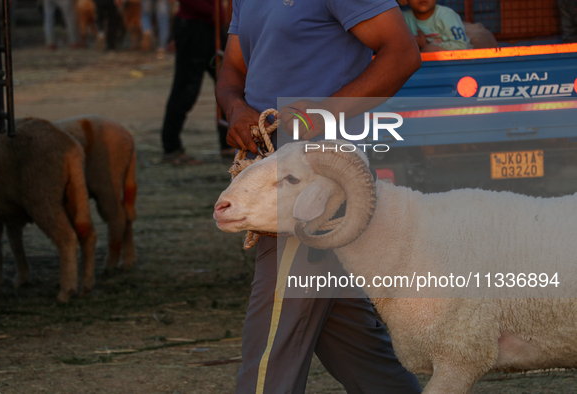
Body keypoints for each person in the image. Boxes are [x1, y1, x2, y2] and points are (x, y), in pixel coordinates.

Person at [216, 0, 422, 392]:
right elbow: (233, 68)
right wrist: (235, 106)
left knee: (271, 347)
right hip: (273, 173)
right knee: (354, 345)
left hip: (315, 185)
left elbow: (402, 53)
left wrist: (321, 115)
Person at [160, 0, 232, 164]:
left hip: (211, 27)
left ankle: (228, 142)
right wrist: (213, 12)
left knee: (228, 85)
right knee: (186, 89)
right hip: (195, 27)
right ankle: (171, 148)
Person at [400, 0, 472, 52]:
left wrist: (426, 46)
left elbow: (462, 46)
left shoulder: (447, 16)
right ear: (404, 1)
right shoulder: (402, 20)